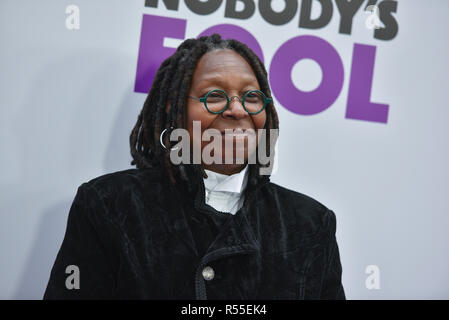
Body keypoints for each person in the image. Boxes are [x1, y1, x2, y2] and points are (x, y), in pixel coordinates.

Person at [43, 33, 345, 300]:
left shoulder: (311, 223)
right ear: (174, 109)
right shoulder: (109, 204)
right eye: (214, 96)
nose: (238, 109)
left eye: (252, 97)